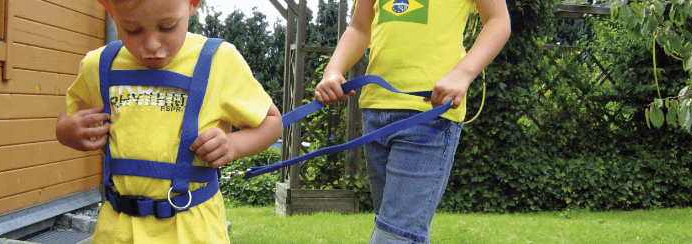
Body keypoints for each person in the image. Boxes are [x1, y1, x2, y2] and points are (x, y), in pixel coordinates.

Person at [55, 0, 282, 242]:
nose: (151, 45)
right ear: (111, 12)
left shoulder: (218, 60)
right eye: (133, 30)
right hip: (118, 231)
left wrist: (233, 144)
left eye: (167, 27)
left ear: (191, 5)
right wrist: (67, 132)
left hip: (193, 231)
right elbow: (67, 118)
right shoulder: (98, 65)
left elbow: (271, 121)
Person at [314, 0, 510, 243]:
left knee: (395, 236)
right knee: (400, 231)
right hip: (375, 113)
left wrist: (463, 73)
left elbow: (498, 20)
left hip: (430, 115)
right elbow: (359, 28)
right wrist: (332, 71)